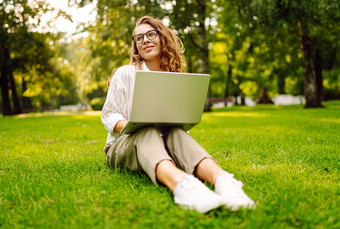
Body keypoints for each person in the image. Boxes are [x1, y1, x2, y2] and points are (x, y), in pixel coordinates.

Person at [101, 16, 255, 213]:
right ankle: (182, 185)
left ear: (162, 38)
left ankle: (224, 181)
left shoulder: (176, 77)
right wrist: (133, 124)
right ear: (136, 47)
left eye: (150, 34)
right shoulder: (124, 74)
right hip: (122, 145)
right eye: (139, 38)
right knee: (147, 130)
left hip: (164, 139)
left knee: (177, 132)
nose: (145, 40)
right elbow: (109, 115)